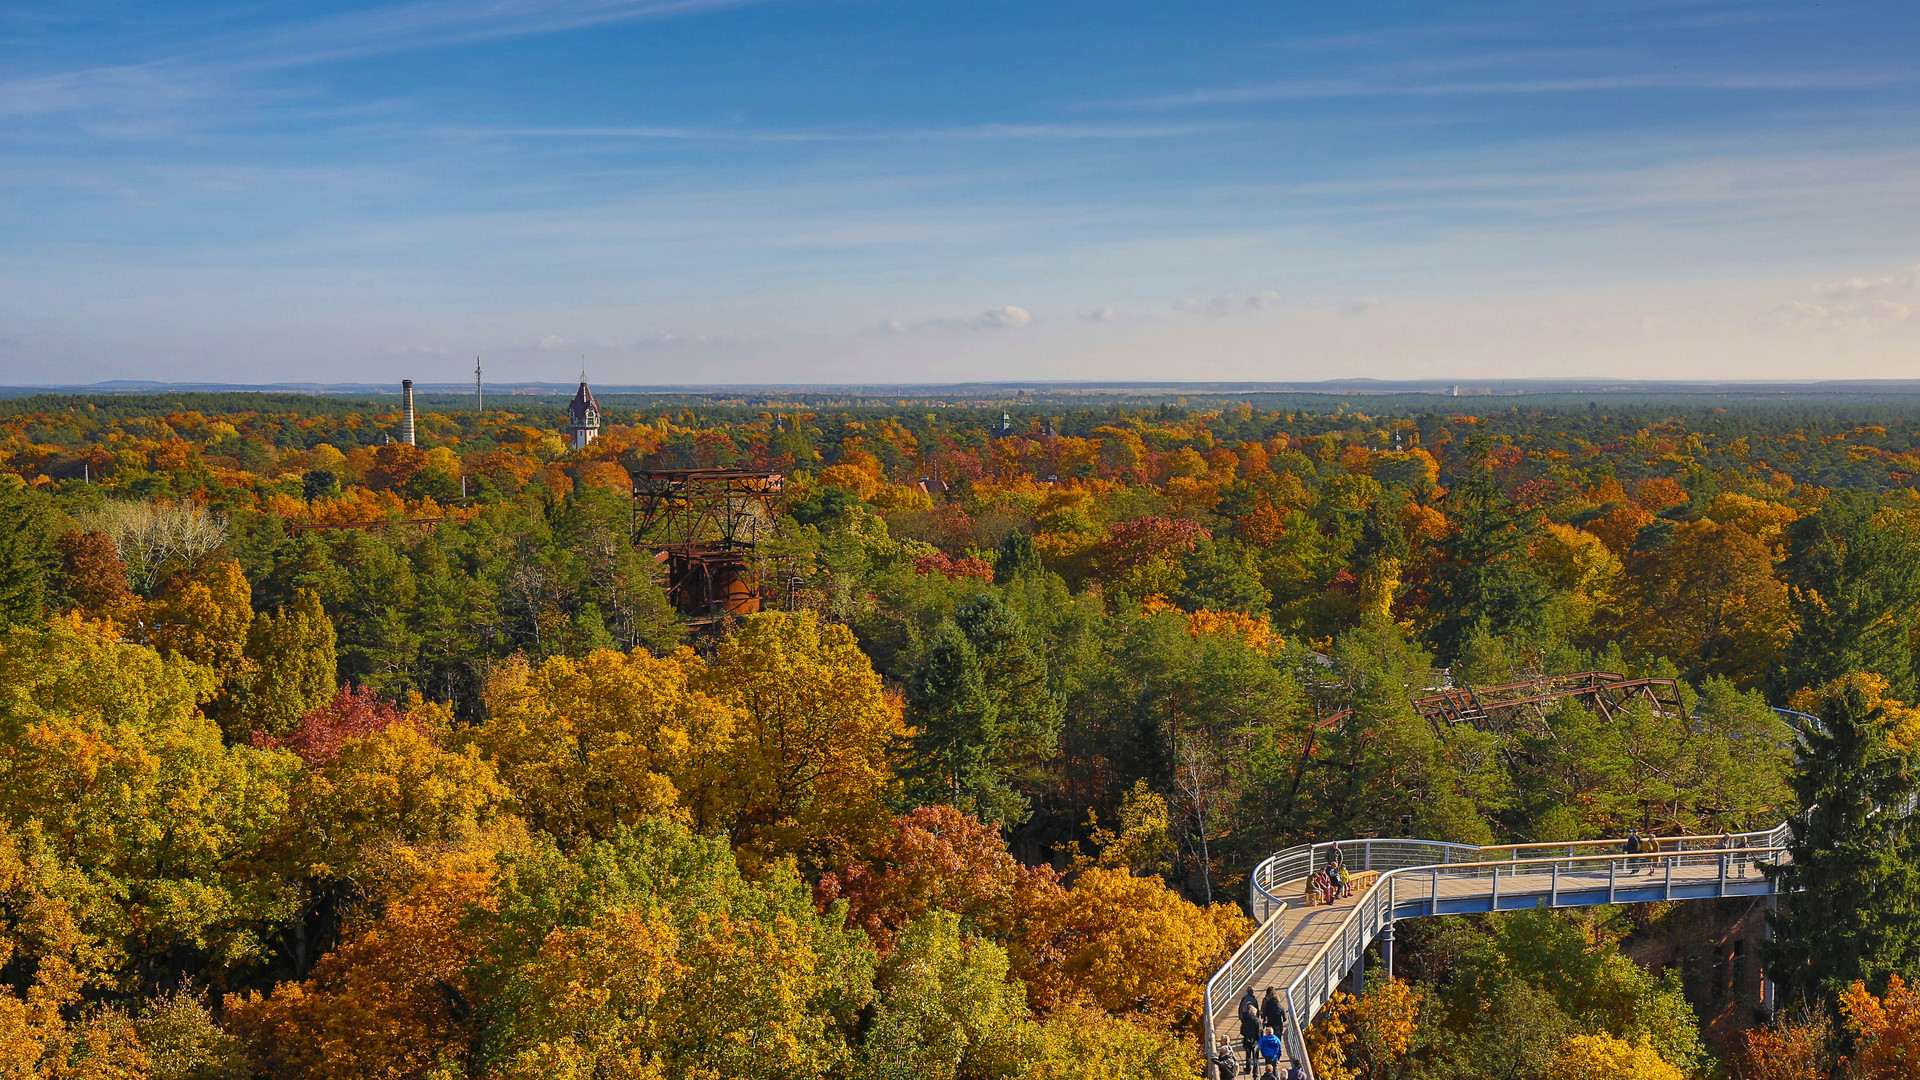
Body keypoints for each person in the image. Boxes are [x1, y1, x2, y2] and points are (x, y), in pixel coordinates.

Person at [1239, 987, 1262, 1067]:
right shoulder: (1254, 1000)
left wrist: (1241, 1017)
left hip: (1247, 1039)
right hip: (1255, 1040)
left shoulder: (1244, 999)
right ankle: (1256, 1074)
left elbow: (1240, 1008)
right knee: (1256, 1057)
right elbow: (1260, 1031)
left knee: (1248, 1055)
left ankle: (1248, 1069)